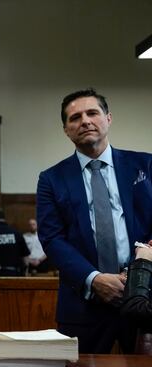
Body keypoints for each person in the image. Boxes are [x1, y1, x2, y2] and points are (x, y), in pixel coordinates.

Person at [37, 88, 152, 353]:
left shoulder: (145, 165)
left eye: (92, 113)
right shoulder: (51, 179)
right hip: (83, 303)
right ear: (66, 129)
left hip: (144, 297)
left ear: (108, 118)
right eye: (75, 117)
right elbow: (52, 239)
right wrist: (95, 279)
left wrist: (136, 274)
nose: (85, 121)